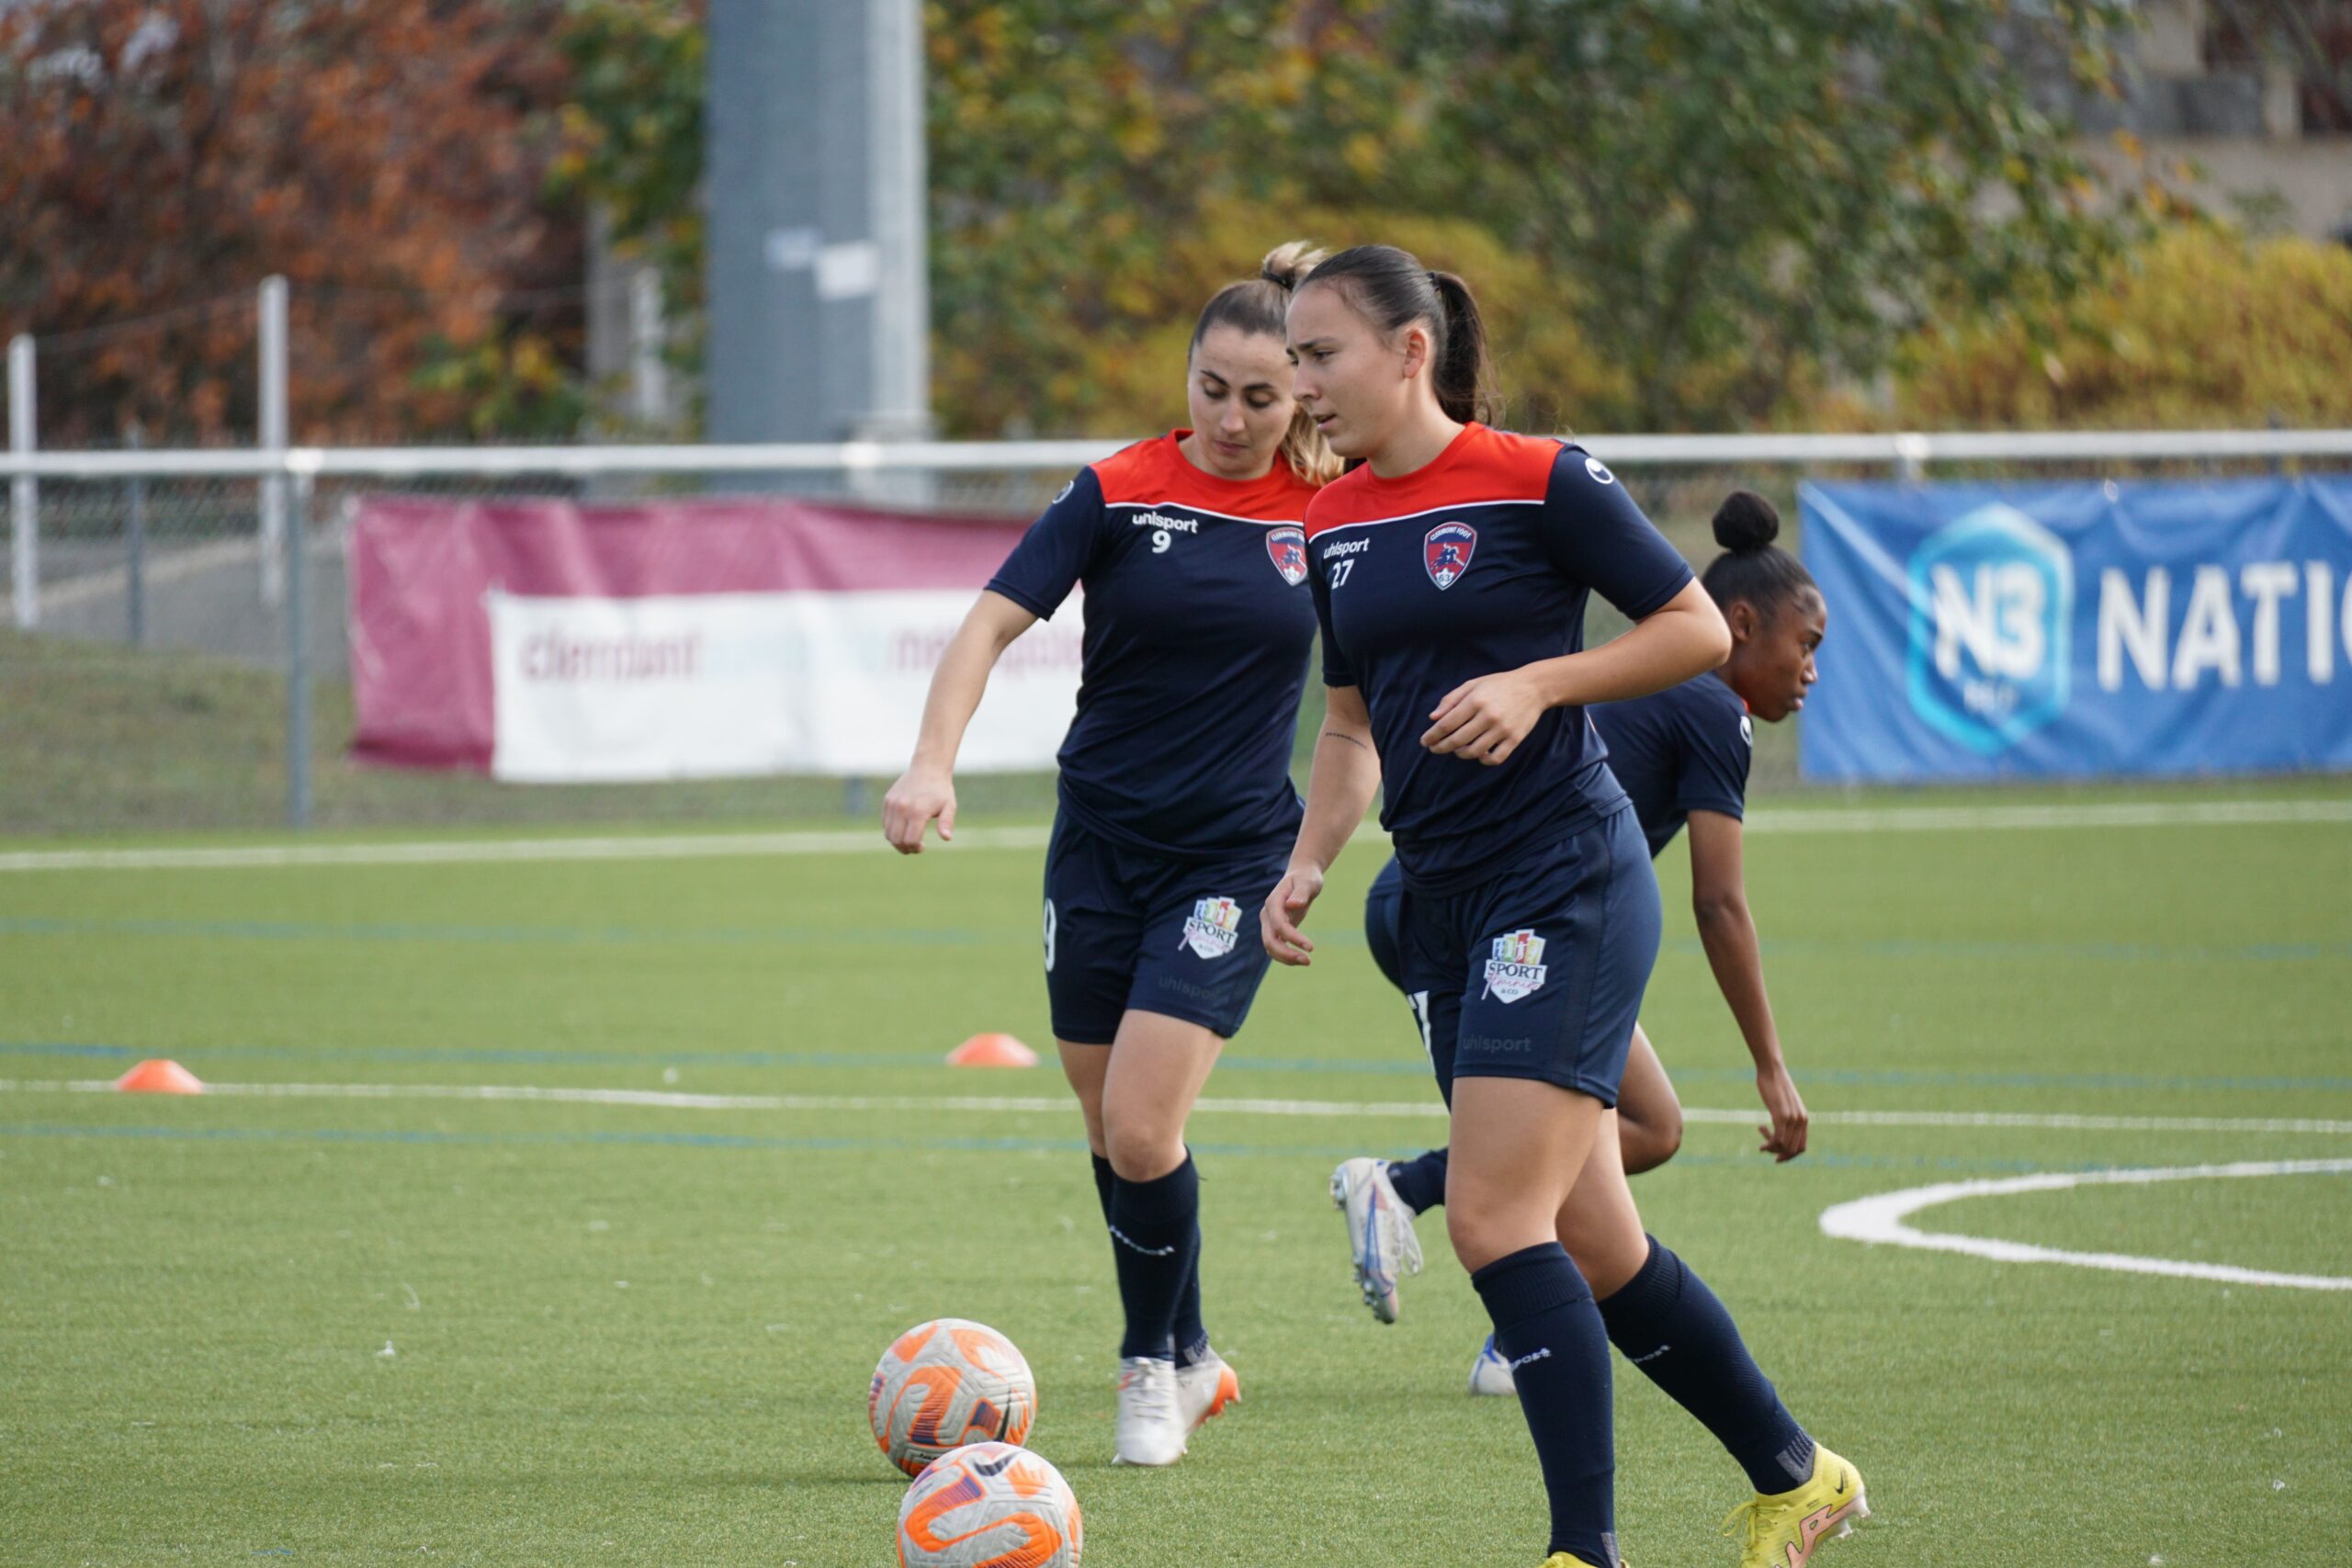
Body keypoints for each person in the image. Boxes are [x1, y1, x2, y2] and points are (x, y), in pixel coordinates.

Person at [1261, 244, 1865, 1568]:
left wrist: (1542, 683)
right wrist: (1309, 858)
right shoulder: (1331, 523)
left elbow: (1700, 633)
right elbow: (1352, 727)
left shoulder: (1539, 475)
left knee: (1490, 1219)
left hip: (1565, 875)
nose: (1299, 384)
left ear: (1410, 350)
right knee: (1597, 1243)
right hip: (1447, 898)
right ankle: (1798, 1471)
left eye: (1320, 356)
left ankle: (1581, 1551)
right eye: (1292, 360)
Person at [883, 243, 1339, 1468]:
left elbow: (1375, 688)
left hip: (1232, 857)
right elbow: (987, 622)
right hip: (1094, 846)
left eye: (1262, 395)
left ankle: (1148, 1365)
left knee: (1143, 1125)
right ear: (1185, 376)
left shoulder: (1333, 509)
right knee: (1108, 1125)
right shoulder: (1120, 488)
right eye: (1213, 388)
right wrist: (934, 760)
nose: (1233, 417)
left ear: (1304, 391)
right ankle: (1192, 1349)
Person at [1339, 490, 1828, 1400]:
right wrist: (1770, 1065)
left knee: (1647, 1127)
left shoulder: (1667, 697)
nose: (1809, 670)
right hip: (1467, 917)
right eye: (1805, 645)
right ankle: (1514, 1334)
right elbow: (1719, 903)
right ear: (1742, 624)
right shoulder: (1712, 709)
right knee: (1539, 1173)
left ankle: (1406, 1191)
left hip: (1488, 910)